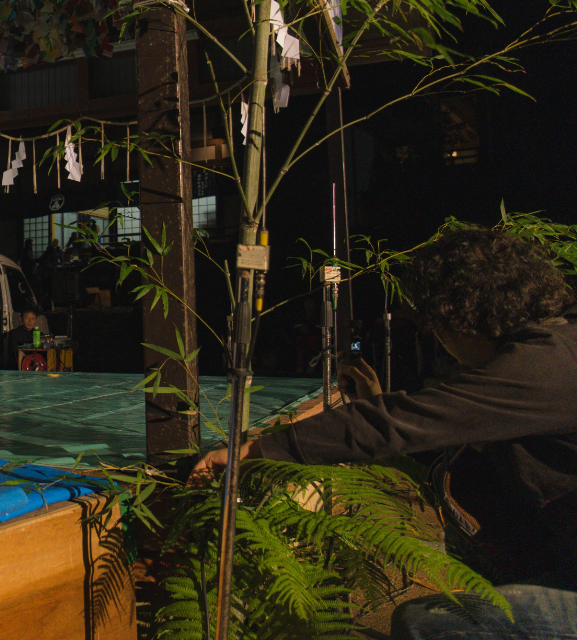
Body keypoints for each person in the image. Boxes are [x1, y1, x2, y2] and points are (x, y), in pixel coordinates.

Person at [191, 228, 577, 638]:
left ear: (460, 319)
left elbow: (396, 424)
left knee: (423, 624)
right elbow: (432, 427)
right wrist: (377, 400)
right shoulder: (558, 344)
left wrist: (255, 451)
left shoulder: (544, 368)